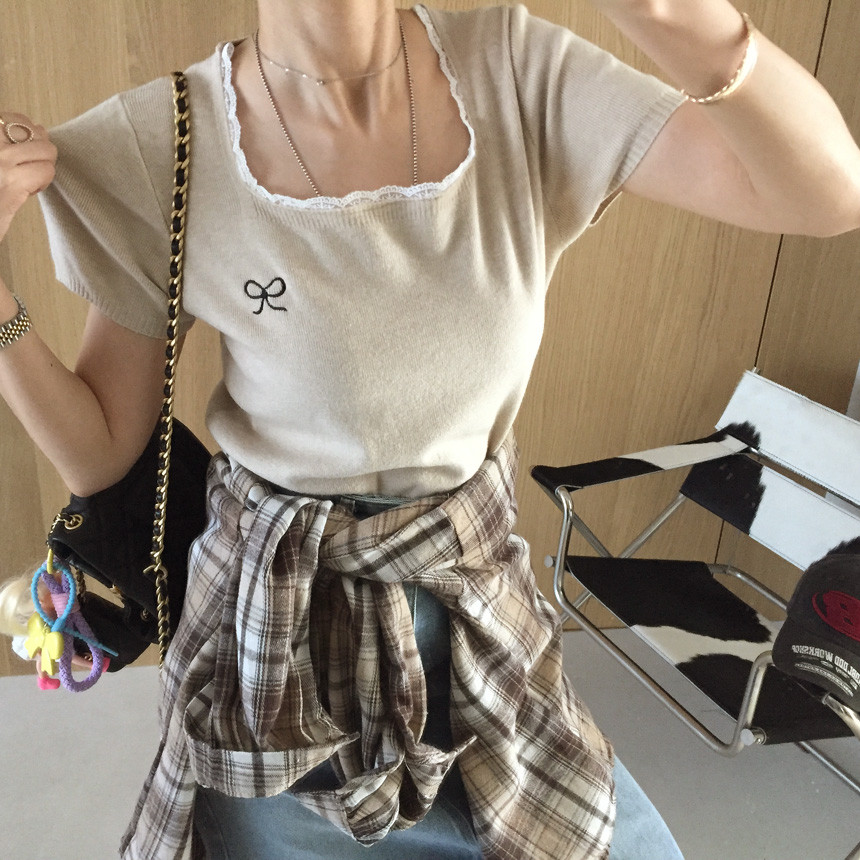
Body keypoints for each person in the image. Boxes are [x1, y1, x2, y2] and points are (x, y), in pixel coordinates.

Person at [1, 1, 859, 858]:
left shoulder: (517, 71)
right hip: (277, 666)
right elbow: (104, 448)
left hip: (480, 628)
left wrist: (667, 10)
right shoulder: (159, 138)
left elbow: (825, 195)